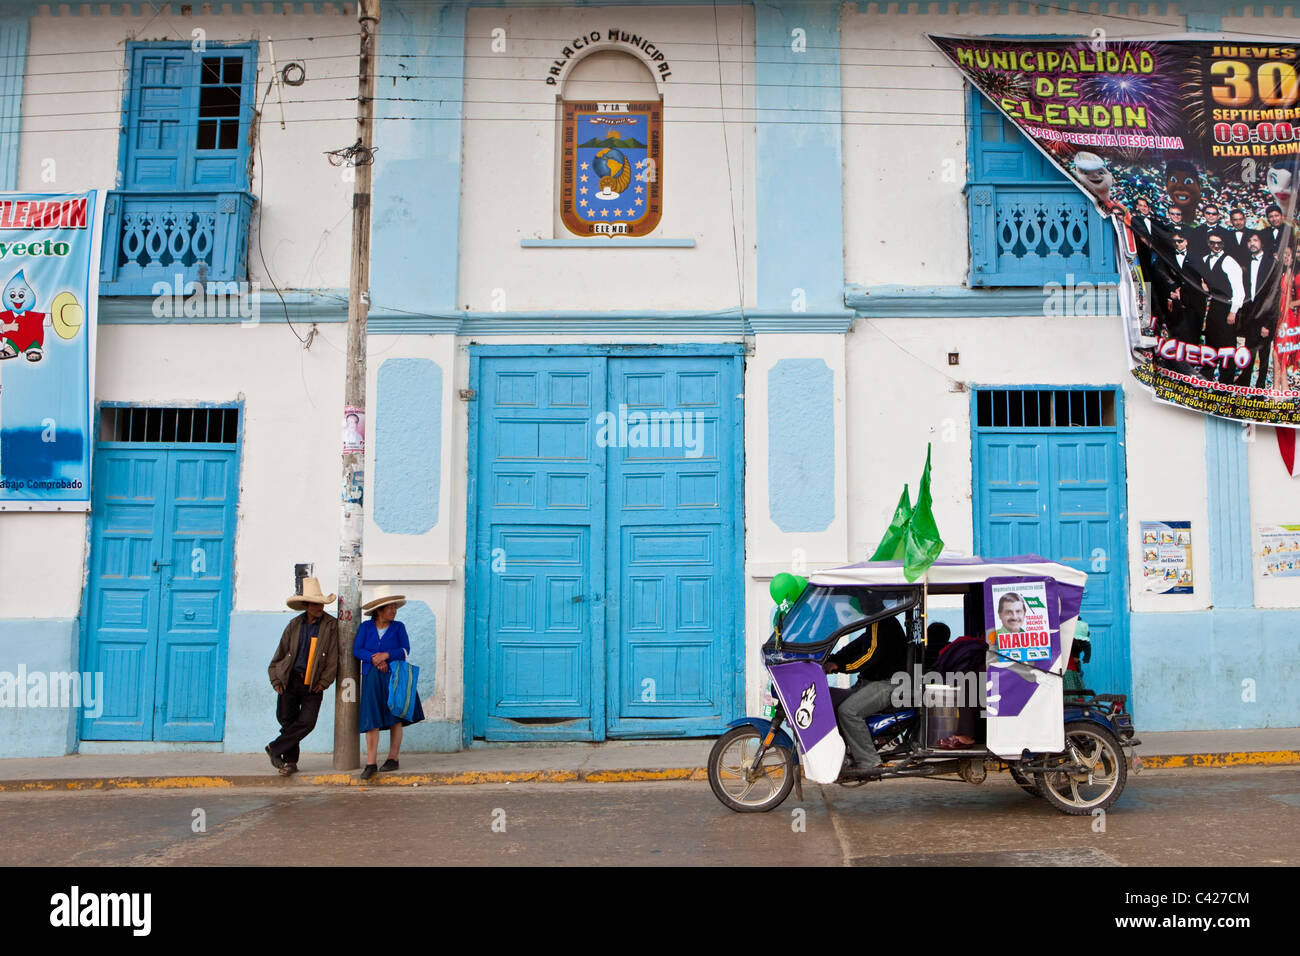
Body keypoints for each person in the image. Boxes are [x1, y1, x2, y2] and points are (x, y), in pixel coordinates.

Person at [267, 577, 340, 775]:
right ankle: (290, 762)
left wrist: (324, 681)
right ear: (307, 605)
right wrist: (276, 679)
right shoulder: (294, 624)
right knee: (287, 721)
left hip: (313, 683)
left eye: (321, 604)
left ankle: (275, 748)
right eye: (315, 604)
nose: (319, 608)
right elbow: (280, 653)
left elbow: (333, 657)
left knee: (307, 722)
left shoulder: (331, 626)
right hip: (290, 679)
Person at [822, 612, 907, 775]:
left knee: (848, 711)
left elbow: (870, 656)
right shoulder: (875, 623)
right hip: (873, 681)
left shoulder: (880, 621)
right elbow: (856, 646)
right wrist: (831, 658)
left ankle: (869, 761)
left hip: (890, 682)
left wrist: (840, 666)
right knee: (832, 700)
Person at [354, 586, 424, 779]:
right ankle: (371, 762)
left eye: (395, 607)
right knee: (371, 719)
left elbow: (405, 650)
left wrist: (386, 655)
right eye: (390, 607)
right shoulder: (366, 628)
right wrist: (373, 658)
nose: (394, 611)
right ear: (379, 610)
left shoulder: (398, 627)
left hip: (394, 676)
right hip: (371, 676)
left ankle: (393, 758)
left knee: (395, 716)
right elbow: (357, 650)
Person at [1237, 232, 1280, 388]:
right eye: (1249, 241)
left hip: (1265, 316)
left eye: (1255, 240)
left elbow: (1274, 295)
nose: (1252, 243)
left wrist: (1267, 324)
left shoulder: (1272, 263)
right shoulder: (1246, 262)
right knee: (1249, 349)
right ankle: (1244, 381)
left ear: (1262, 243)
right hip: (1250, 315)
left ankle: (1260, 385)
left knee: (1263, 353)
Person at [1202, 233, 1246, 381]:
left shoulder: (1229, 262)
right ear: (1208, 243)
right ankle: (1207, 378)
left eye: (1219, 243)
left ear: (1223, 244)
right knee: (1211, 342)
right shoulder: (1205, 259)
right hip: (1213, 306)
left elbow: (1239, 291)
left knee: (1227, 346)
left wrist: (1233, 312)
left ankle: (1225, 382)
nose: (1215, 246)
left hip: (1226, 307)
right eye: (1212, 243)